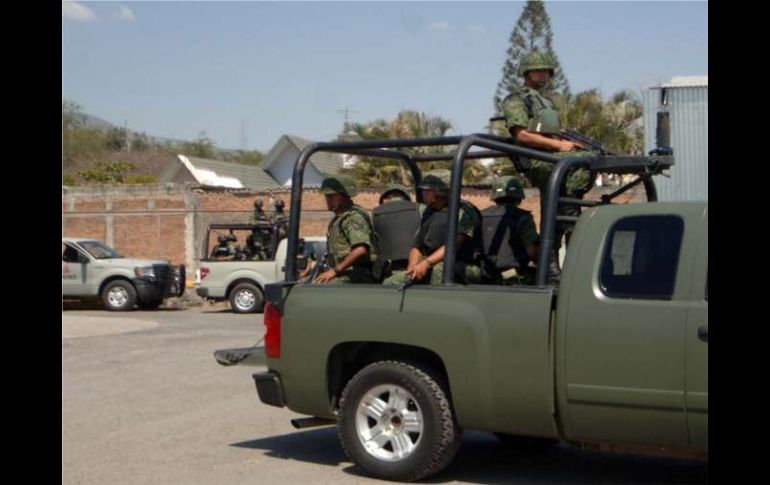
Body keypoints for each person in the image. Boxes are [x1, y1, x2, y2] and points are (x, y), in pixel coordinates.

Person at [500, 50, 596, 279]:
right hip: (540, 161)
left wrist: (565, 143)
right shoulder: (516, 99)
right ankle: (552, 269)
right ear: (527, 72)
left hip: (554, 158)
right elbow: (521, 136)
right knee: (561, 212)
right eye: (539, 70)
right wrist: (560, 147)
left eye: (547, 71)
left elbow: (550, 135)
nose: (544, 75)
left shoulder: (545, 102)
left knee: (569, 211)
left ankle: (571, 267)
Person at [384, 169, 482, 286]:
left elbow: (454, 245)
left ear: (440, 191)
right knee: (392, 282)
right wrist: (411, 270)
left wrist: (427, 263)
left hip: (464, 266)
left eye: (427, 190)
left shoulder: (465, 210)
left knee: (440, 270)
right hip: (432, 263)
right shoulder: (429, 211)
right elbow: (417, 246)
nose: (423, 193)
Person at [313, 175, 378, 284]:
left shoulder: (353, 217)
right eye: (326, 196)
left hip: (356, 274)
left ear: (344, 196)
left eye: (331, 196)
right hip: (344, 273)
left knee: (322, 289)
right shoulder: (339, 218)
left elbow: (360, 249)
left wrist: (335, 270)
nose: (327, 199)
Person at [480, 176, 539, 285]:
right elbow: (531, 251)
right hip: (511, 277)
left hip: (484, 275)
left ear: (494, 197)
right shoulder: (523, 217)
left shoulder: (481, 215)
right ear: (519, 197)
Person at [372, 184, 421, 280]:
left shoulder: (376, 212)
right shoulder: (419, 208)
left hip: (389, 268)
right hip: (417, 267)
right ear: (406, 198)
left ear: (385, 199)